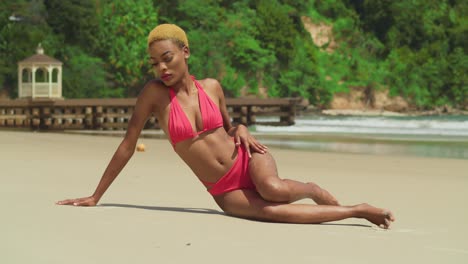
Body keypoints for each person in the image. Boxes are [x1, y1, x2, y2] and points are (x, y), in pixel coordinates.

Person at [57, 24, 395, 229]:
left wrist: (244, 129)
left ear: (185, 52)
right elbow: (128, 144)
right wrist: (96, 196)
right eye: (154, 62)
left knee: (273, 190)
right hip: (223, 189)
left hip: (248, 159)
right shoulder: (154, 96)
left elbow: (233, 129)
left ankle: (311, 189)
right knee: (276, 215)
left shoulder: (213, 86)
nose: (161, 67)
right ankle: (358, 210)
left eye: (168, 58)